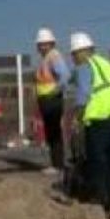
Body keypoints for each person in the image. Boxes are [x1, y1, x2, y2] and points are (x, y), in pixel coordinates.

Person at [68, 31, 110, 219]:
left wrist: (76, 117)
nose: (74, 59)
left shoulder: (84, 67)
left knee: (97, 163)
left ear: (80, 52)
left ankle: (97, 206)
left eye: (74, 55)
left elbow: (84, 94)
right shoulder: (106, 64)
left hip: (99, 120)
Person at [34, 28, 72, 172]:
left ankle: (58, 165)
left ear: (51, 44)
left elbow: (65, 75)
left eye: (45, 44)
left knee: (54, 132)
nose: (42, 46)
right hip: (47, 100)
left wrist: (54, 92)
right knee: (51, 132)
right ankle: (56, 163)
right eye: (40, 44)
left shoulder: (53, 56)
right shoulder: (46, 58)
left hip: (52, 100)